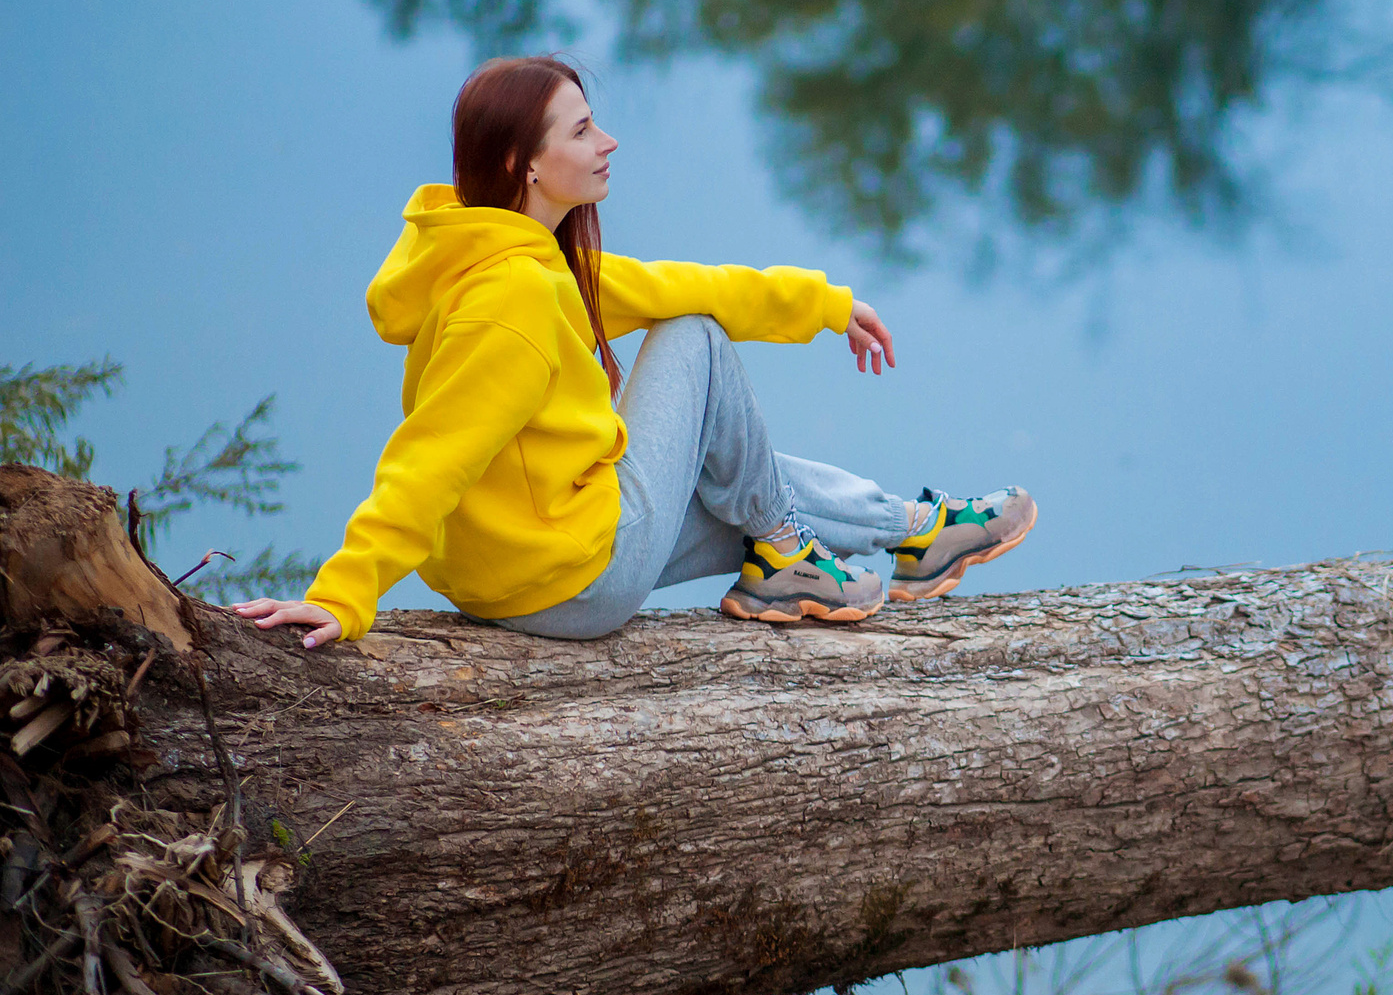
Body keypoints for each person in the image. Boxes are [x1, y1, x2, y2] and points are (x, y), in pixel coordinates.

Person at [230, 55, 1033, 649]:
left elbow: (669, 281)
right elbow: (432, 456)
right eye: (582, 130)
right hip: (570, 582)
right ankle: (792, 556)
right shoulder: (512, 296)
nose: (608, 141)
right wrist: (345, 590)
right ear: (523, 163)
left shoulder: (511, 258)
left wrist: (821, 305)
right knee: (693, 338)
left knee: (740, 480)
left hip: (529, 566)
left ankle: (915, 532)